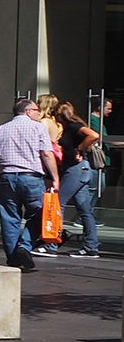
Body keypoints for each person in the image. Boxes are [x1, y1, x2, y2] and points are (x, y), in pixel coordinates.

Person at [0, 97, 59, 271]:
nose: (38, 114)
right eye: (36, 111)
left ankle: (13, 258)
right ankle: (25, 246)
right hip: (31, 178)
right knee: (39, 214)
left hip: (6, 178)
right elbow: (47, 154)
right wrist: (55, 177)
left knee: (9, 218)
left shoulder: (1, 129)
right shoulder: (38, 127)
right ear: (28, 112)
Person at [49, 102, 101, 258]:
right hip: (82, 169)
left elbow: (94, 135)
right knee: (84, 209)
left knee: (59, 203)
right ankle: (91, 246)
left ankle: (51, 244)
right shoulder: (72, 126)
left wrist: (79, 149)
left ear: (60, 114)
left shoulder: (73, 126)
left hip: (76, 169)